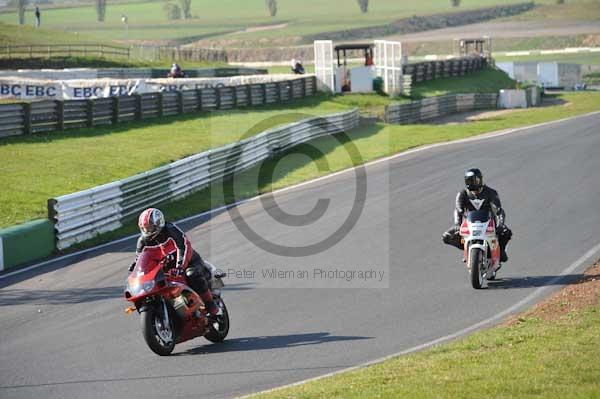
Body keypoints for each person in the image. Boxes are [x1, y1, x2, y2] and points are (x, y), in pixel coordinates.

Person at [129, 208, 219, 315]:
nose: (147, 232)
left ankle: (210, 305)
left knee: (192, 274)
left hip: (188, 262)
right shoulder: (143, 241)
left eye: (150, 228)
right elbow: (139, 259)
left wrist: (180, 266)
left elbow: (184, 246)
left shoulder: (170, 230)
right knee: (154, 288)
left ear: (159, 224)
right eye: (144, 229)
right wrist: (134, 271)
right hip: (167, 270)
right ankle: (177, 311)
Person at [442, 168, 512, 262]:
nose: (471, 183)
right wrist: (457, 224)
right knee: (447, 236)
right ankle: (468, 249)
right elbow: (458, 209)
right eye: (469, 180)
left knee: (506, 232)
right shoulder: (462, 194)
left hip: (489, 223)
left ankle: (501, 251)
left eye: (474, 180)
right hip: (470, 224)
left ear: (480, 180)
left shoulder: (491, 192)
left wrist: (501, 224)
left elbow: (499, 210)